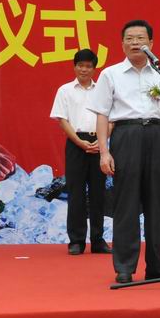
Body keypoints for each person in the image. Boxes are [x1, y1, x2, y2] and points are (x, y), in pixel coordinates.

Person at [90, 19, 160, 284]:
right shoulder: (110, 74)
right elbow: (102, 115)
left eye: (141, 38)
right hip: (126, 135)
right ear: (122, 43)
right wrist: (104, 152)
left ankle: (156, 264)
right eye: (130, 38)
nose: (135, 43)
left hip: (156, 135)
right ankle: (124, 266)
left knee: (156, 203)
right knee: (126, 203)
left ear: (151, 43)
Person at [50, 48, 110, 255]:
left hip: (99, 142)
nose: (84, 70)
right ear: (74, 67)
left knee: (98, 192)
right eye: (80, 65)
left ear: (94, 69)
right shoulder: (65, 90)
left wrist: (102, 140)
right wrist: (79, 142)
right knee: (75, 193)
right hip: (76, 143)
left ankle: (98, 239)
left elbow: (111, 118)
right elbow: (62, 120)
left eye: (88, 66)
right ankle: (76, 240)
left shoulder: (103, 90)